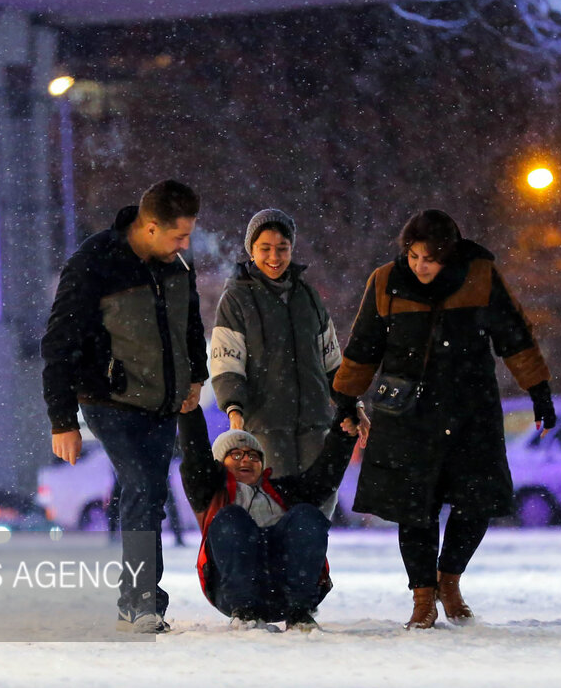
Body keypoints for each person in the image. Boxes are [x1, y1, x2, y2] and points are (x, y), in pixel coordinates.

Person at [332, 209, 556, 629]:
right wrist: (345, 401)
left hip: (470, 411)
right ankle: (422, 598)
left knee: (477, 502)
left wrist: (538, 391)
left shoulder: (480, 276)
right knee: (413, 508)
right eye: (414, 256)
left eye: (430, 259)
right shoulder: (385, 281)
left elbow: (514, 336)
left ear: (449, 255)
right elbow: (363, 347)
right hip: (407, 414)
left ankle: (448, 580)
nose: (420, 267)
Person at [41, 179, 207, 634]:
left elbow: (190, 321)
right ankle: (141, 602)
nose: (185, 245)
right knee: (143, 488)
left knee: (148, 495)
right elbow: (58, 343)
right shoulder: (94, 262)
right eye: (179, 235)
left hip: (162, 400)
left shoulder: (176, 262)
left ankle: (135, 602)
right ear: (151, 227)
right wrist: (62, 420)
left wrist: (196, 375)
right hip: (109, 399)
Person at [209, 209, 358, 507]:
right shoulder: (236, 299)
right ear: (251, 250)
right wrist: (234, 409)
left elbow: (331, 361)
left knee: (318, 507)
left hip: (315, 422)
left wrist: (352, 405)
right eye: (265, 248)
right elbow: (227, 362)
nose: (274, 257)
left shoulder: (308, 296)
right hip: (264, 424)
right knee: (273, 506)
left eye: (282, 248)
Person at [177, 405, 358, 632]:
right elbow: (195, 456)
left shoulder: (283, 490)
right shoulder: (210, 493)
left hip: (286, 588)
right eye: (236, 454)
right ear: (220, 463)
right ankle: (244, 614)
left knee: (307, 514)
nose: (246, 460)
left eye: (254, 456)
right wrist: (189, 412)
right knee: (231, 517)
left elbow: (323, 478)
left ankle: (300, 613)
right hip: (232, 591)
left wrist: (343, 436)